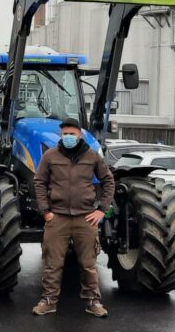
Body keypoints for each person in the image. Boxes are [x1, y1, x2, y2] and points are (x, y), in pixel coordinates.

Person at [31, 117, 115, 318]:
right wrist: (46, 211)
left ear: (80, 135)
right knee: (53, 263)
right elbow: (39, 182)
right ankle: (49, 300)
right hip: (57, 218)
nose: (68, 137)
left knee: (88, 263)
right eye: (65, 134)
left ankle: (93, 301)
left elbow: (108, 180)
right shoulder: (50, 156)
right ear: (61, 135)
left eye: (72, 134)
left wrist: (102, 210)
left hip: (85, 218)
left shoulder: (92, 156)